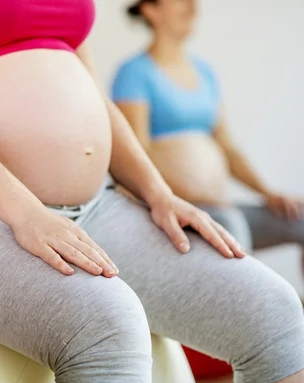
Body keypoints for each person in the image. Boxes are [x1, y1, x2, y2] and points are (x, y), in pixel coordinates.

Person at [0, 0, 304, 383]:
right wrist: (26, 212)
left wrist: (159, 193)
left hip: (92, 207)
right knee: (107, 326)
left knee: (273, 315)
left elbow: (92, 91)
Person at [112, 0, 304, 267]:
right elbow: (135, 154)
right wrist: (191, 193)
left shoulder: (205, 73)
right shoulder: (133, 73)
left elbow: (227, 147)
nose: (192, 6)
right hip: (179, 212)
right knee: (231, 229)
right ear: (150, 9)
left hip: (219, 205)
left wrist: (268, 194)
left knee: (300, 219)